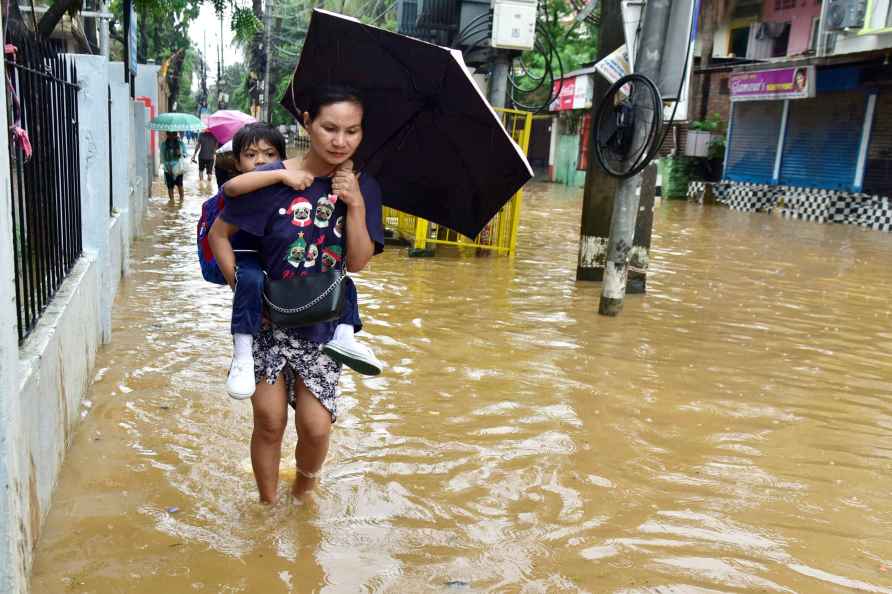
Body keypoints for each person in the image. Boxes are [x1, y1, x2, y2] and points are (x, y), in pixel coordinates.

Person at [208, 86, 384, 503]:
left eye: (352, 131)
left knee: (316, 426)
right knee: (268, 420)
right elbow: (220, 235)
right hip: (271, 320)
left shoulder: (363, 187)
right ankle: (267, 505)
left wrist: (355, 205)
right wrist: (245, 292)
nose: (340, 141)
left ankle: (304, 491)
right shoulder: (271, 178)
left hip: (324, 323)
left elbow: (358, 262)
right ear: (307, 122)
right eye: (329, 128)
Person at [205, 121, 381, 402]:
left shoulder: (329, 186)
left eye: (269, 154)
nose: (261, 161)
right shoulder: (267, 183)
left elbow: (357, 260)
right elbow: (231, 189)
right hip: (253, 262)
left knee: (345, 285)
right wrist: (279, 176)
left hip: (304, 292)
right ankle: (242, 355)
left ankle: (345, 337)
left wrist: (351, 186)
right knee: (250, 281)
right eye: (251, 155)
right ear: (237, 161)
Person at [161, 131, 187, 202]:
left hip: (178, 169)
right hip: (168, 169)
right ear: (167, 135)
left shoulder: (181, 144)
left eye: (174, 134)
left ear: (176, 134)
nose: (172, 136)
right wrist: (167, 168)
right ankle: (172, 202)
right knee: (170, 187)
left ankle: (181, 202)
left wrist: (180, 153)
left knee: (180, 185)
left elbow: (185, 154)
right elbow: (162, 158)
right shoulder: (164, 145)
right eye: (170, 134)